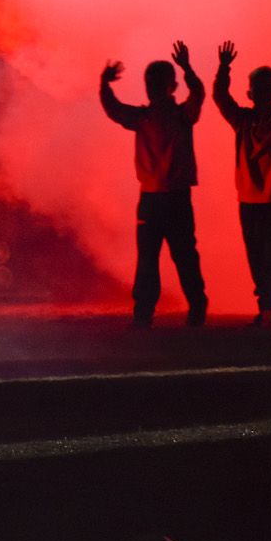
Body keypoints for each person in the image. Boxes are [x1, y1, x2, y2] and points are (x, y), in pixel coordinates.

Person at [98, 41, 208, 328]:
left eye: (157, 83)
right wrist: (104, 86)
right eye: (150, 82)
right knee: (156, 258)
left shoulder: (177, 116)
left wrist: (187, 69)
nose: (152, 88)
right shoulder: (149, 117)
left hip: (169, 198)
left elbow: (198, 93)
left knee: (180, 255)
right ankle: (149, 311)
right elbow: (113, 109)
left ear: (171, 86)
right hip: (156, 198)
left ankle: (190, 307)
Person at [211, 40, 271, 328]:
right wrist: (224, 68)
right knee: (256, 255)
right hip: (250, 198)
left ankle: (269, 307)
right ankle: (266, 304)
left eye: (269, 87)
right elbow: (220, 96)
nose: (264, 92)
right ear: (250, 93)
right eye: (259, 87)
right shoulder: (243, 120)